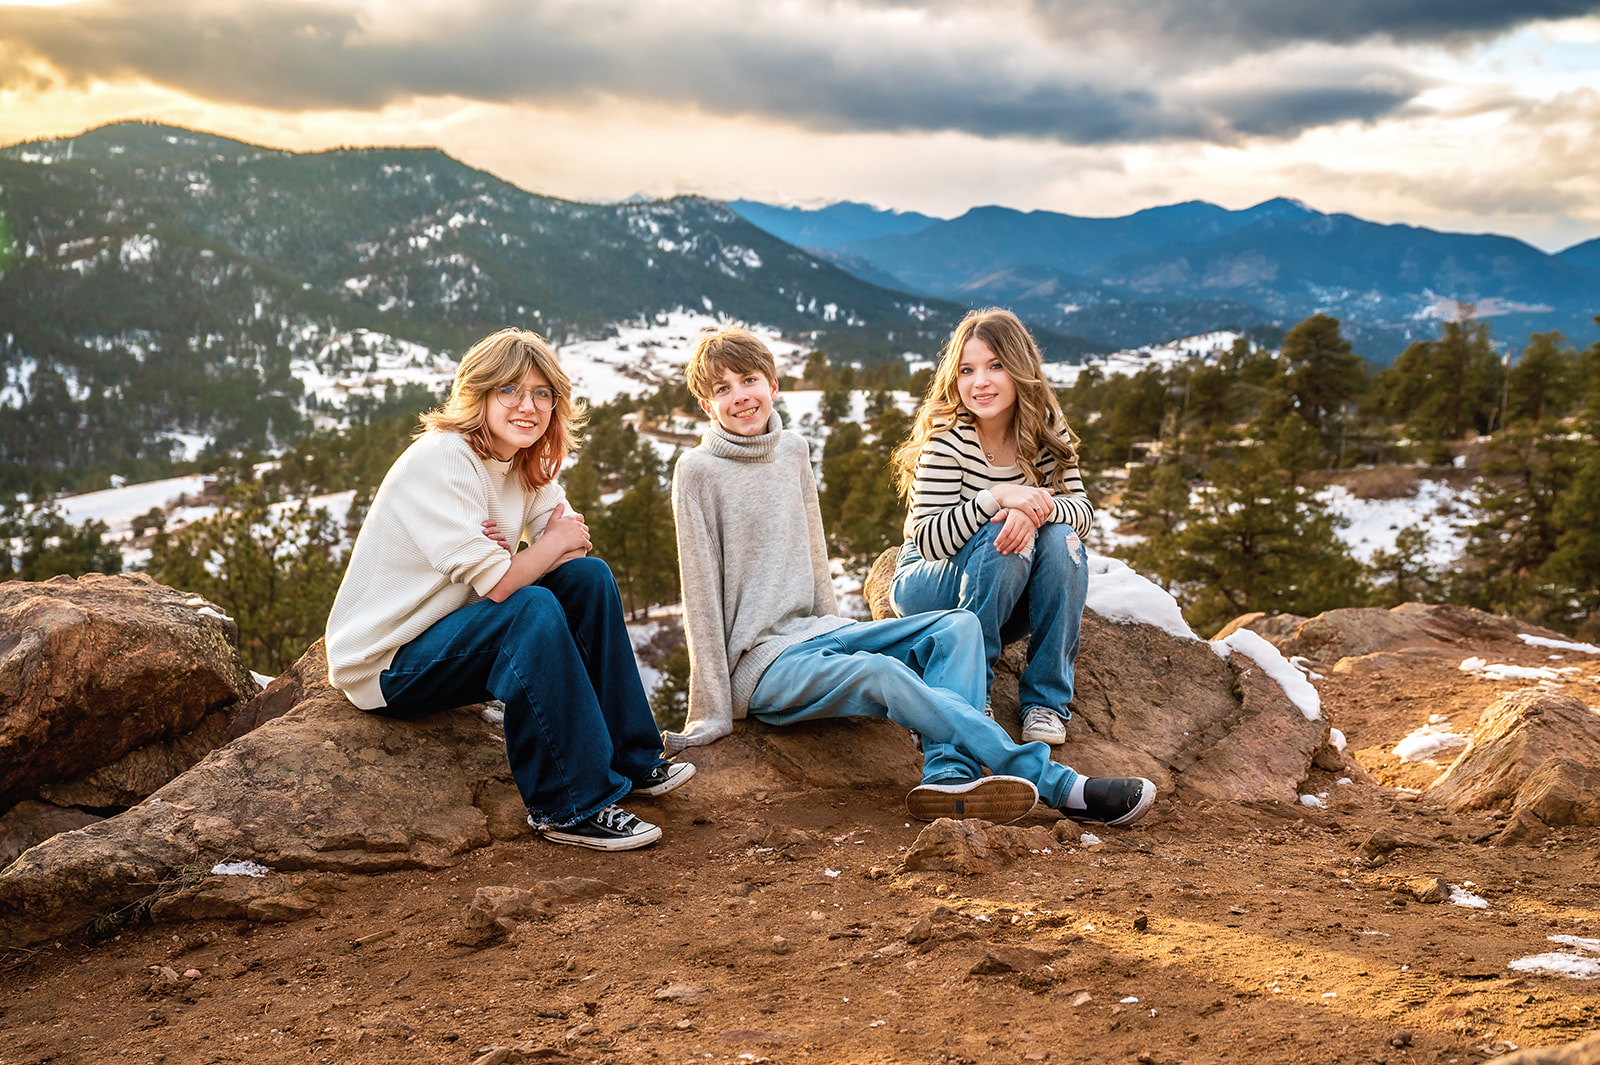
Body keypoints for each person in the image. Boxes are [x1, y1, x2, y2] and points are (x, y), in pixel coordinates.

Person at [666, 326, 1154, 827]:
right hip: (760, 665)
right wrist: (710, 710)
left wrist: (834, 633)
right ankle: (1060, 786)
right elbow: (698, 594)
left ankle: (948, 777)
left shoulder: (792, 449)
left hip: (816, 636)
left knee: (959, 626)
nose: (739, 397)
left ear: (773, 384)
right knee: (882, 672)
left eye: (748, 380)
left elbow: (813, 556)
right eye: (722, 389)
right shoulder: (697, 471)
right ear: (707, 406)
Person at [325, 327, 692, 852]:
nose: (528, 406)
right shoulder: (444, 457)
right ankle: (570, 806)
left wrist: (523, 560)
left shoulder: (522, 460)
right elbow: (506, 584)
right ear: (478, 394)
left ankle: (630, 758)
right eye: (510, 390)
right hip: (387, 663)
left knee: (588, 580)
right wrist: (526, 559)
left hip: (452, 634)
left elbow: (574, 549)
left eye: (542, 393)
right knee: (529, 607)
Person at [890, 307, 1091, 747]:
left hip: (1005, 589)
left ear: (1020, 368)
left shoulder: (1044, 429)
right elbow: (929, 541)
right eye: (967, 370)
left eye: (995, 366)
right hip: (929, 583)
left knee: (1062, 540)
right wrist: (997, 497)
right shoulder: (946, 438)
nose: (979, 382)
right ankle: (969, 691)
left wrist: (1033, 511)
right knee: (1003, 535)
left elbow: (1082, 511)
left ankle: (1046, 702)